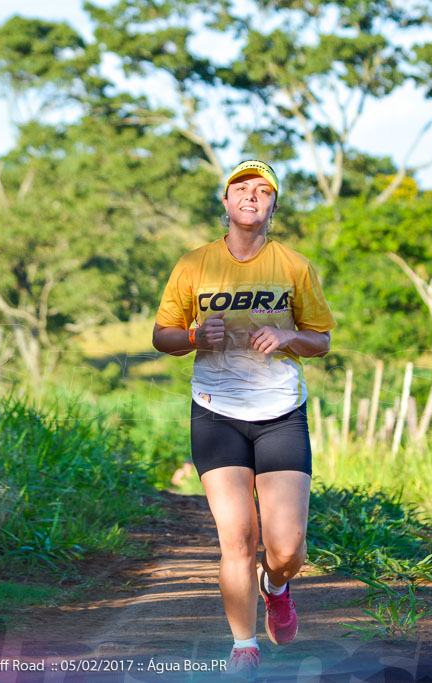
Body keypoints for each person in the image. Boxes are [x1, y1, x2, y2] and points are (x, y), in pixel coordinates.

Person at [151, 160, 335, 679]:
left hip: (280, 412)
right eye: (240, 189)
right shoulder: (194, 265)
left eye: (262, 190)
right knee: (237, 537)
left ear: (273, 206)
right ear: (226, 203)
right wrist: (192, 337)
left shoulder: (294, 266)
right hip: (215, 412)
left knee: (286, 547)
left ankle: (276, 586)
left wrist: (288, 337)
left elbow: (321, 339)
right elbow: (162, 334)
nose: (250, 196)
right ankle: (243, 647)